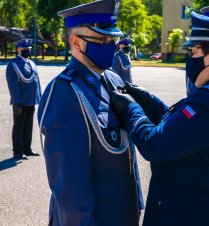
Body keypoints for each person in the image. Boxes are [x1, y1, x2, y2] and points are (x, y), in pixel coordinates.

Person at [110, 11, 209, 226]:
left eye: (193, 52)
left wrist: (132, 109)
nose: (190, 59)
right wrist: (150, 102)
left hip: (189, 214)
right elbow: (188, 131)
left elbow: (155, 144)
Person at [37, 1, 144, 225]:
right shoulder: (64, 93)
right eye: (101, 40)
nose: (110, 46)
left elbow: (128, 157)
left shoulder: (112, 78)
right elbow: (70, 188)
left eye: (111, 40)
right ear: (76, 42)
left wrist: (137, 205)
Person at [5, 38, 41, 160]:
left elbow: (36, 83)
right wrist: (17, 102)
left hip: (31, 101)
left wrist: (38, 99)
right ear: (18, 50)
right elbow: (13, 84)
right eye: (25, 49)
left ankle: (27, 148)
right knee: (19, 127)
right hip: (20, 102)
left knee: (28, 126)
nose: (27, 51)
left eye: (29, 49)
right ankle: (18, 151)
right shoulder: (13, 64)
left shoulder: (32, 64)